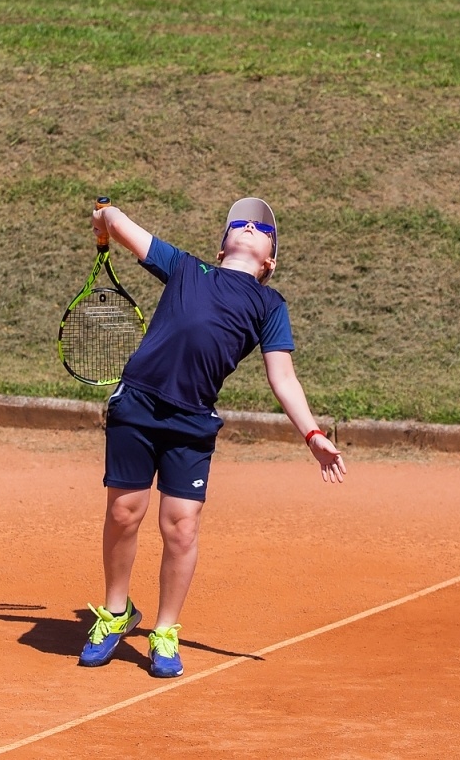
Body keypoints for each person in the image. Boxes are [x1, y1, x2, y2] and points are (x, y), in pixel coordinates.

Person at [79, 197, 346, 678]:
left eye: (261, 228)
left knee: (180, 527)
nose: (248, 227)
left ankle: (164, 630)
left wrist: (312, 434)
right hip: (136, 405)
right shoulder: (185, 268)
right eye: (239, 223)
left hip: (192, 421)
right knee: (123, 513)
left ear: (270, 261)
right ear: (221, 249)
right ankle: (116, 612)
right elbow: (119, 223)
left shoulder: (270, 305)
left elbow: (282, 378)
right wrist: (105, 217)